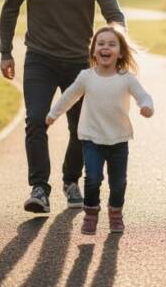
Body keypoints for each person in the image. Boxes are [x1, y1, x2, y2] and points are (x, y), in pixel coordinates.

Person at [0, 0, 125, 214]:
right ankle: (39, 188)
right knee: (37, 119)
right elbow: (10, 9)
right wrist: (5, 51)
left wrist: (116, 45)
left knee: (81, 128)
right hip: (40, 59)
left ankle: (71, 181)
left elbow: (114, 14)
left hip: (81, 64)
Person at [46, 26, 153, 234]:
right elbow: (69, 96)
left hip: (118, 140)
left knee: (118, 183)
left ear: (120, 52)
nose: (106, 47)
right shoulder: (86, 76)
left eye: (112, 44)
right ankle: (91, 214)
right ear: (93, 51)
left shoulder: (126, 78)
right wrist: (53, 114)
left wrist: (146, 106)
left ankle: (115, 214)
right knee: (93, 178)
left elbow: (143, 95)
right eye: (101, 44)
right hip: (92, 138)